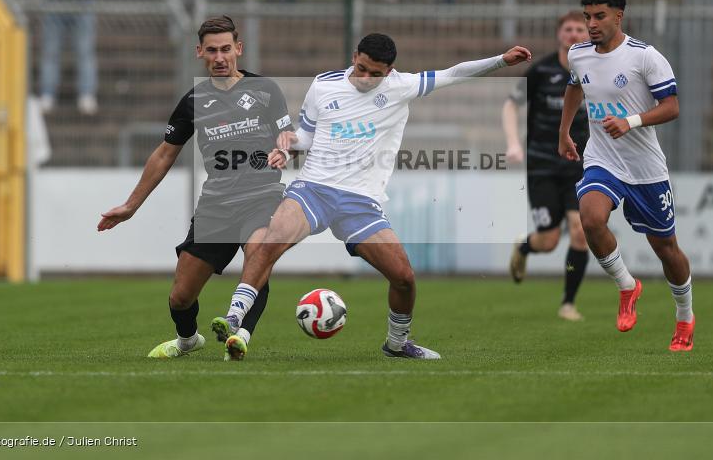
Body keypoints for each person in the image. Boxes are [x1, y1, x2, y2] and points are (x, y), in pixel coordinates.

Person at [210, 33, 532, 360]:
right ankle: (235, 318)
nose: (366, 79)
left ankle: (397, 344)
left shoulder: (401, 86)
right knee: (270, 241)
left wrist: (501, 61)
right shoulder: (323, 85)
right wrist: (287, 148)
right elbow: (305, 136)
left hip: (360, 203)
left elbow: (454, 73)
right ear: (354, 57)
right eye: (361, 68)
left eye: (375, 74)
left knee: (404, 277)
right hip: (314, 189)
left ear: (390, 71)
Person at [97, 16, 294, 361]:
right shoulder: (193, 102)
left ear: (239, 49)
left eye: (226, 49)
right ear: (200, 52)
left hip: (262, 197)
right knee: (181, 297)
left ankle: (241, 334)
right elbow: (163, 155)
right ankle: (188, 340)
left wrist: (283, 149)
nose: (220, 57)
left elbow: (287, 134)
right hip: (216, 206)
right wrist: (131, 206)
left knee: (258, 258)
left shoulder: (266, 91)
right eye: (212, 50)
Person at [559, 0, 695, 351]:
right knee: (590, 218)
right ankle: (626, 285)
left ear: (619, 16)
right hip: (602, 159)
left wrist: (631, 121)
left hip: (645, 167)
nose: (591, 24)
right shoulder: (579, 54)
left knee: (666, 248)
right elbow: (575, 88)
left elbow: (672, 106)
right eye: (587, 16)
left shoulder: (645, 57)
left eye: (599, 16)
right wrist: (564, 132)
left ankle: (684, 315)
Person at [504, 11, 590, 321]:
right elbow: (511, 105)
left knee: (580, 231)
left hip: (580, 164)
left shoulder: (597, 70)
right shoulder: (541, 70)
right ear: (559, 35)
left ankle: (568, 302)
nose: (574, 34)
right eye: (568, 29)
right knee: (550, 240)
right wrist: (514, 142)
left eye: (580, 28)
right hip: (542, 163)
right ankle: (526, 247)